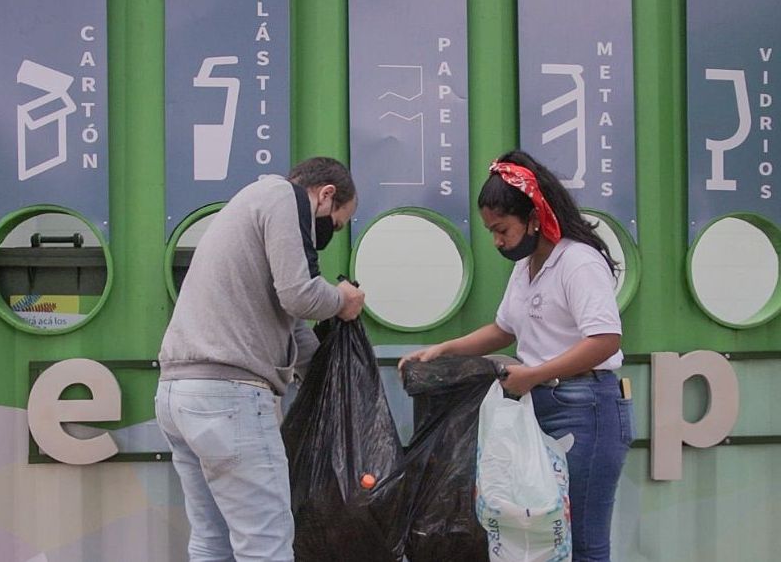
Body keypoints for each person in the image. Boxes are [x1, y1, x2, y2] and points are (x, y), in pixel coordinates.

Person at [400, 149, 633, 562]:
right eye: (491, 231)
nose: (497, 241)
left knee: (582, 539)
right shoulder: (526, 266)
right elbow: (505, 329)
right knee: (540, 537)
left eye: (501, 229)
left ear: (534, 215)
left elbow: (605, 340)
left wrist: (536, 373)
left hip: (586, 408)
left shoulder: (577, 262)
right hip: (537, 405)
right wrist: (443, 349)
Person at [155, 157, 365, 562]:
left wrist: (331, 374)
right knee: (265, 544)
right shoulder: (282, 196)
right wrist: (344, 300)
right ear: (326, 195)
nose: (330, 235)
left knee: (211, 539)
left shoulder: (249, 205)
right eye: (336, 224)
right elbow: (301, 296)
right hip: (227, 399)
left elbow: (292, 323)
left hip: (178, 393)